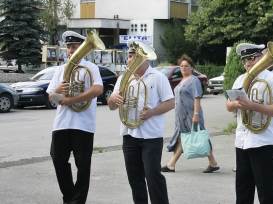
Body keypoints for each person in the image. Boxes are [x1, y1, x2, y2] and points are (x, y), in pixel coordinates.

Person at [107, 40, 174, 204]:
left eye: (134, 56)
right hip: (129, 135)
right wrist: (113, 99)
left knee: (153, 177)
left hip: (151, 136)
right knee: (134, 178)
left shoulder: (158, 77)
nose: (130, 59)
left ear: (145, 59)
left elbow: (171, 102)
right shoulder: (124, 78)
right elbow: (111, 106)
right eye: (129, 56)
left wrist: (151, 112)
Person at [46, 31, 104, 204]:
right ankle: (70, 197)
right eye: (69, 47)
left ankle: (78, 201)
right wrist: (58, 90)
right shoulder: (61, 69)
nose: (71, 50)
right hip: (61, 124)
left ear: (82, 49)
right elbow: (50, 96)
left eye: (74, 47)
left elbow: (98, 90)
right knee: (57, 159)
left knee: (83, 165)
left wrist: (72, 99)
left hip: (83, 124)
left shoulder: (90, 68)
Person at [226, 43, 273, 204]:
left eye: (251, 58)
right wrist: (236, 105)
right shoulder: (240, 79)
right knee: (243, 191)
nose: (248, 63)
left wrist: (252, 106)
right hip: (242, 142)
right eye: (244, 60)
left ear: (261, 57)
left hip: (264, 142)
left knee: (267, 193)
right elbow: (228, 106)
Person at [161, 54, 219, 173]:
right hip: (181, 116)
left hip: (191, 115)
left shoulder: (194, 80)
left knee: (190, 137)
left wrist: (196, 115)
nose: (183, 68)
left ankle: (171, 164)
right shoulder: (182, 80)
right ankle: (213, 163)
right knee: (191, 137)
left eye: (186, 66)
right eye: (181, 66)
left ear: (191, 68)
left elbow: (197, 97)